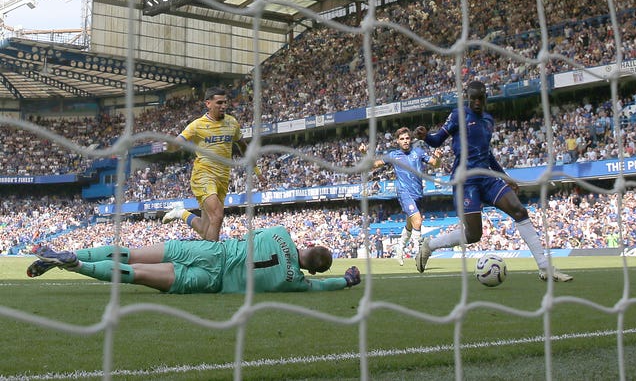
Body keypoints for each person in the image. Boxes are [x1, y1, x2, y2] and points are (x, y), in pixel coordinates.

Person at [414, 80, 573, 282]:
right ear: (468, 99)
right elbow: (437, 140)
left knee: (519, 210)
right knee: (473, 235)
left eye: (481, 99)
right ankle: (430, 245)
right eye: (473, 99)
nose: (477, 103)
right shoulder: (458, 115)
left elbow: (487, 154)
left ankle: (544, 267)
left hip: (487, 177)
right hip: (465, 180)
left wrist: (505, 176)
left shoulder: (488, 120)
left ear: (486, 98)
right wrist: (426, 136)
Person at [26, 226, 361, 294]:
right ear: (312, 269)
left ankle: (71, 255)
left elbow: (250, 233)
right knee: (137, 273)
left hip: (211, 251)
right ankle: (76, 265)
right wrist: (346, 279)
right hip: (212, 282)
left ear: (310, 244)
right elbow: (324, 286)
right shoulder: (297, 282)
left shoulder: (281, 232)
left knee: (130, 251)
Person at [162, 87, 263, 241]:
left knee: (204, 229)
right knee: (217, 215)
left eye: (225, 102)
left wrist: (256, 169)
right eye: (219, 102)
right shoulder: (197, 125)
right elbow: (176, 144)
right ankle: (212, 259)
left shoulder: (232, 123)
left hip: (222, 177)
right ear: (208, 103)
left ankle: (180, 213)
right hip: (203, 175)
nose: (223, 106)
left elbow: (243, 146)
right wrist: (169, 145)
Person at [360, 127, 441, 266]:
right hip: (404, 193)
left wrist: (438, 157)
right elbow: (373, 165)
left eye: (407, 138)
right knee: (418, 221)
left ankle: (400, 248)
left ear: (411, 139)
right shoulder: (393, 155)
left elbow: (435, 164)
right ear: (397, 141)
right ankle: (419, 253)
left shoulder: (419, 152)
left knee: (410, 226)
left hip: (418, 193)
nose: (405, 141)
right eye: (402, 139)